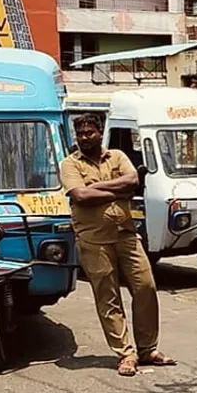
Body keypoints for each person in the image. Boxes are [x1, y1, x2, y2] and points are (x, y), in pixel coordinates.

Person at [60, 113, 175, 377]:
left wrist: (99, 188)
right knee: (108, 296)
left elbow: (133, 182)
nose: (84, 138)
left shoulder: (117, 157)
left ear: (100, 133)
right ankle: (126, 354)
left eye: (89, 133)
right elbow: (81, 195)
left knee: (146, 286)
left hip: (126, 234)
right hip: (93, 239)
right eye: (80, 134)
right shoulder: (70, 164)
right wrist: (117, 190)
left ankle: (148, 349)